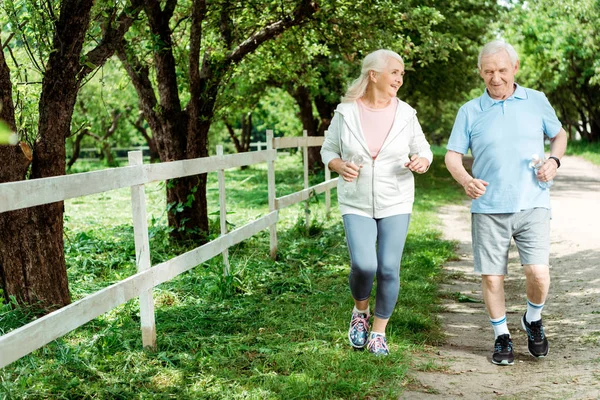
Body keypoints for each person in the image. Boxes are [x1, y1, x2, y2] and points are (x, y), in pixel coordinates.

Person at [445, 40, 568, 365]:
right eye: (488, 71)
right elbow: (453, 156)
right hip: (488, 207)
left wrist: (554, 161)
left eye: (501, 70)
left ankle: (533, 318)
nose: (495, 77)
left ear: (514, 68)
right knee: (492, 277)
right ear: (480, 72)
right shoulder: (470, 110)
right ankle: (501, 337)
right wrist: (466, 180)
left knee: (539, 274)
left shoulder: (536, 101)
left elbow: (559, 135)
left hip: (533, 203)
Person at [321, 49, 433, 356]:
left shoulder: (406, 113)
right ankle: (360, 312)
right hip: (355, 199)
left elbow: (423, 148)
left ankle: (378, 333)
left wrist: (422, 160)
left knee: (387, 268)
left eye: (401, 74)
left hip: (396, 199)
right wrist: (338, 165)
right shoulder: (346, 112)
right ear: (374, 75)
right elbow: (327, 150)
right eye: (394, 72)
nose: (399, 78)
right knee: (364, 264)